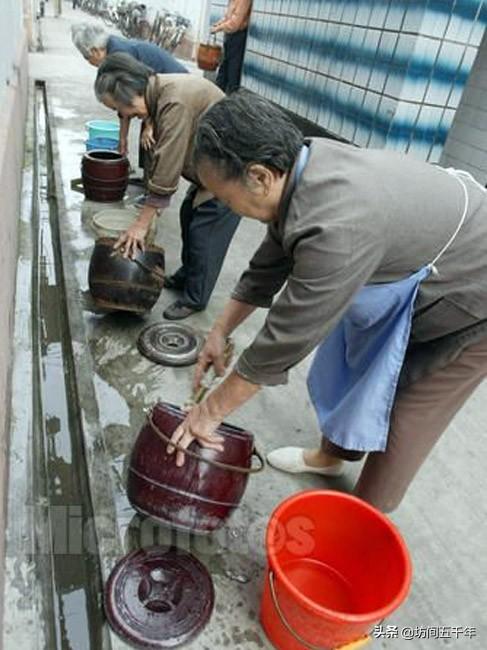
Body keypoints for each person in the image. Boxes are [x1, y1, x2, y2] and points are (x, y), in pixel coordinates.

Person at [165, 90, 487, 513]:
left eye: (226, 198)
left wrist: (207, 413)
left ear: (259, 176)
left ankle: (365, 515)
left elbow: (282, 343)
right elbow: (267, 265)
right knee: (357, 366)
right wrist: (220, 331)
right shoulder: (303, 163)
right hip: (415, 259)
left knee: (409, 408)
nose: (229, 208)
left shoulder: (337, 225)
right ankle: (330, 459)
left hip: (472, 293)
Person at [94, 53, 240, 320]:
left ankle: (196, 298)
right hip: (209, 169)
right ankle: (187, 273)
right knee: (188, 217)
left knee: (205, 234)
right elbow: (159, 159)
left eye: (120, 108)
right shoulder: (156, 93)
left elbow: (168, 160)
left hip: (232, 174)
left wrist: (142, 223)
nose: (124, 115)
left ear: (133, 94)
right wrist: (151, 207)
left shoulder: (173, 101)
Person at [71, 23, 187, 158]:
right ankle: (150, 175)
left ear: (95, 51)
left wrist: (151, 125)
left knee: (155, 144)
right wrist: (123, 138)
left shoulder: (119, 56)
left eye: (87, 58)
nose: (88, 62)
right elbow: (123, 102)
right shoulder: (111, 49)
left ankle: (157, 176)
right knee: (147, 147)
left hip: (175, 89)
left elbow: (145, 96)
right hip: (156, 93)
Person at [212, 0, 252, 93]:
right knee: (223, 71)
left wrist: (218, 28)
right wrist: (219, 24)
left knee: (233, 74)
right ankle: (216, 99)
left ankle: (229, 102)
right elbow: (228, 17)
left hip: (238, 37)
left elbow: (234, 24)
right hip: (230, 36)